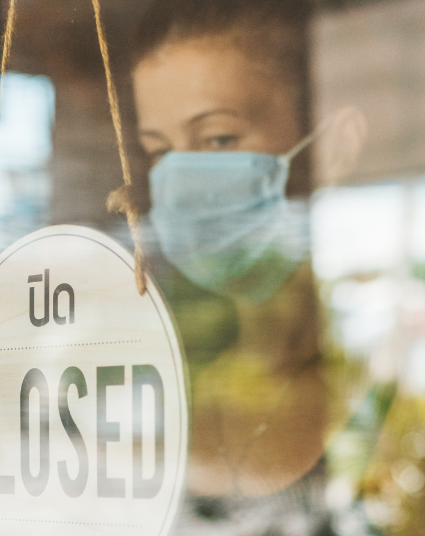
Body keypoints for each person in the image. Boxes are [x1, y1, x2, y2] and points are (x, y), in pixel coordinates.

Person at [131, 0, 366, 497]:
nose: (180, 181)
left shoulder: (366, 376)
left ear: (334, 145)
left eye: (217, 139)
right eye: (159, 151)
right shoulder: (185, 378)